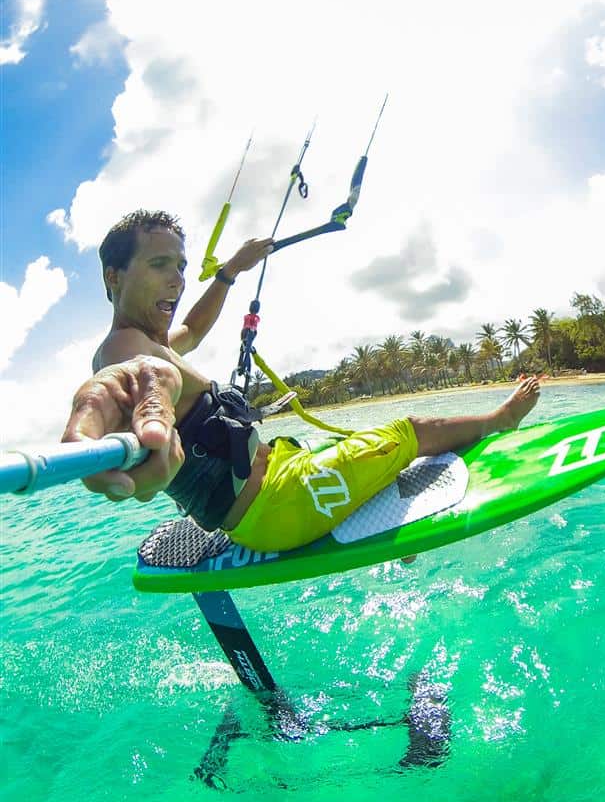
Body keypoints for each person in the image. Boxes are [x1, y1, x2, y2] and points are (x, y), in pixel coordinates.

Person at [62, 209, 540, 552]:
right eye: (159, 265)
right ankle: (499, 420)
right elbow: (135, 376)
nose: (178, 279)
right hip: (278, 506)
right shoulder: (127, 350)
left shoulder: (155, 339)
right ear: (114, 276)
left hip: (270, 494)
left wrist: (228, 272)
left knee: (343, 449)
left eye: (182, 266)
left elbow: (194, 330)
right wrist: (133, 397)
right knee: (410, 430)